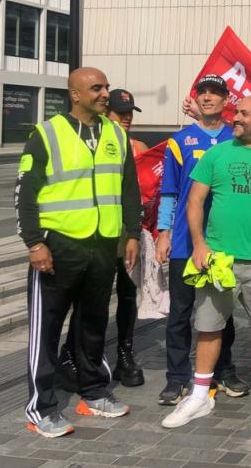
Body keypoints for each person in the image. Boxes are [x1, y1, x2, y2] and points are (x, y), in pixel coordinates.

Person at [17, 67, 141, 438]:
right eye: (97, 88)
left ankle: (93, 392)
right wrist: (35, 243)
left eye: (105, 87)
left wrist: (131, 234)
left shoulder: (116, 134)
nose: (106, 93)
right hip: (59, 246)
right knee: (48, 329)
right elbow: (25, 193)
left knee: (92, 324)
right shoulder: (46, 133)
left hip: (103, 245)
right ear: (74, 94)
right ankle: (41, 407)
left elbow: (129, 189)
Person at [161, 96, 251, 428]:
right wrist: (199, 244)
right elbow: (194, 201)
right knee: (208, 327)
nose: (234, 118)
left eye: (243, 113)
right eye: (236, 112)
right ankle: (199, 396)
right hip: (218, 260)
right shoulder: (216, 154)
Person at [154, 75, 248, 405]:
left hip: (224, 243)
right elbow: (168, 191)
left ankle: (224, 372)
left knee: (224, 313)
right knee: (180, 313)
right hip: (184, 242)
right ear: (197, 100)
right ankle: (176, 378)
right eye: (203, 93)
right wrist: (163, 233)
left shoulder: (237, 138)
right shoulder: (180, 141)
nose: (208, 98)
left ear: (226, 100)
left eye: (215, 93)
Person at [54, 88, 148, 391]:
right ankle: (70, 352)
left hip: (128, 233)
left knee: (128, 295)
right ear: (106, 114)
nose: (127, 118)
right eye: (121, 113)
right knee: (89, 298)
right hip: (97, 233)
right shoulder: (97, 142)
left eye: (131, 113)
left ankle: (125, 352)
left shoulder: (138, 146)